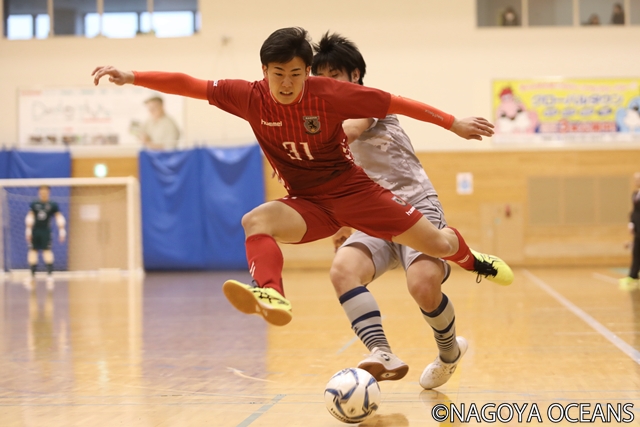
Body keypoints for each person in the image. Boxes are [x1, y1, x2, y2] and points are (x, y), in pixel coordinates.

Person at [92, 27, 513, 328]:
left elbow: (396, 102)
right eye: (278, 74)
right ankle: (271, 293)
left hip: (356, 194)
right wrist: (133, 76)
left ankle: (471, 258)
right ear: (264, 71)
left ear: (307, 72)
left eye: (296, 74)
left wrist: (453, 122)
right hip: (310, 204)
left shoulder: (330, 94)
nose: (287, 83)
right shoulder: (246, 96)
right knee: (255, 221)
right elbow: (190, 84)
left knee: (438, 245)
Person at [312, 32, 477, 389]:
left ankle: (449, 352)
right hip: (371, 213)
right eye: (320, 77)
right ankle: (381, 352)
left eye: (334, 75)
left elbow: (351, 130)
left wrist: (308, 145)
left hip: (415, 204)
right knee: (342, 270)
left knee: (422, 284)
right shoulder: (322, 117)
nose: (327, 84)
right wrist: (340, 222)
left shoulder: (367, 101)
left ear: (355, 75)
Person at [25, 185, 66, 289]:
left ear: (48, 192)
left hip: (46, 231)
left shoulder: (52, 205)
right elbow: (30, 216)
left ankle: (49, 276)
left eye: (45, 191)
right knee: (33, 252)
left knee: (47, 252)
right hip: (35, 231)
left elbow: (59, 217)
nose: (43, 193)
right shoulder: (34, 204)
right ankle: (32, 276)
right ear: (39, 192)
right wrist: (28, 230)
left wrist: (62, 230)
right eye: (42, 191)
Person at [620, 172, 640, 291]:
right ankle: (633, 276)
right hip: (637, 229)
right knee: (636, 252)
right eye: (635, 179)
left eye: (638, 179)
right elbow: (634, 212)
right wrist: (631, 224)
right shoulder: (635, 194)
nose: (636, 181)